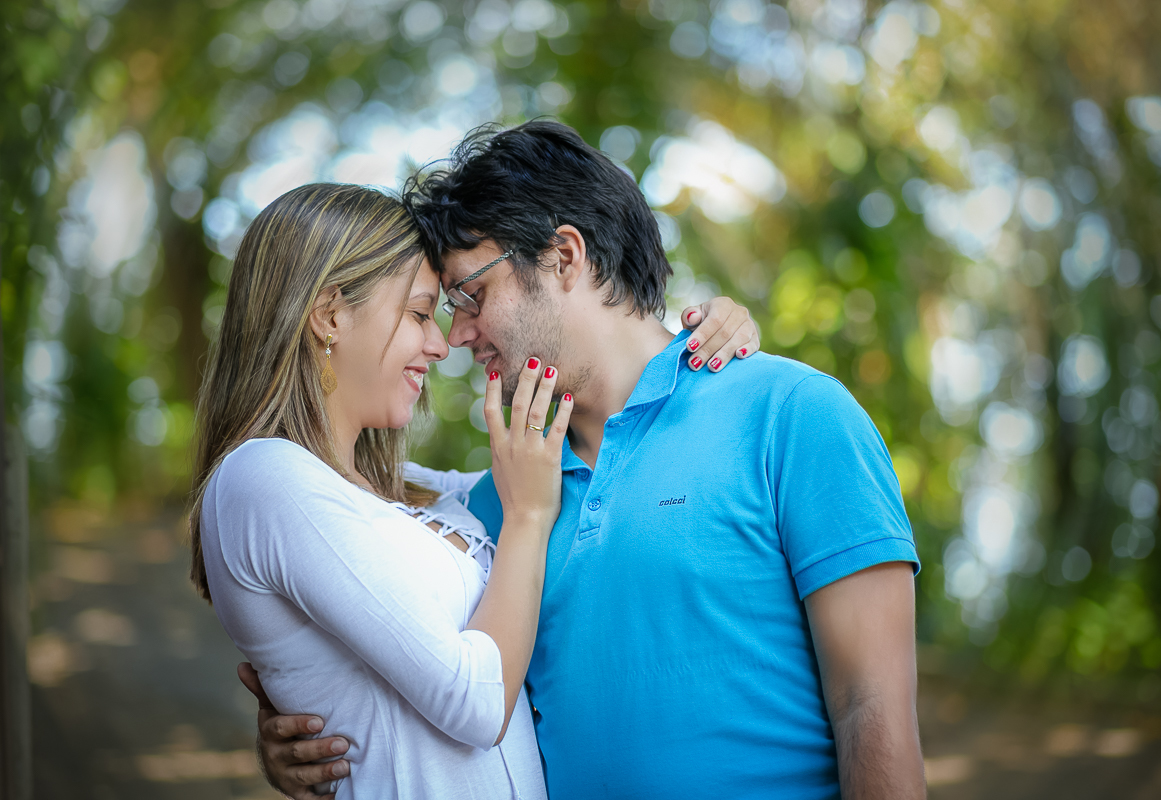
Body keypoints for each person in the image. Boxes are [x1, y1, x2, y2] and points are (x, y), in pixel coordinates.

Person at [255, 121, 925, 800]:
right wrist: (294, 711)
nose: (455, 337)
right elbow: (385, 621)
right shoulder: (502, 504)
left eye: (472, 297)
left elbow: (872, 707)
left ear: (564, 256)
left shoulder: (791, 416)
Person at [193, 182, 760, 798]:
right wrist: (526, 519)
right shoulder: (263, 479)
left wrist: (708, 336)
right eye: (417, 314)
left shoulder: (412, 498)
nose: (440, 345)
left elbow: (583, 474)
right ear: (330, 314)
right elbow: (475, 704)